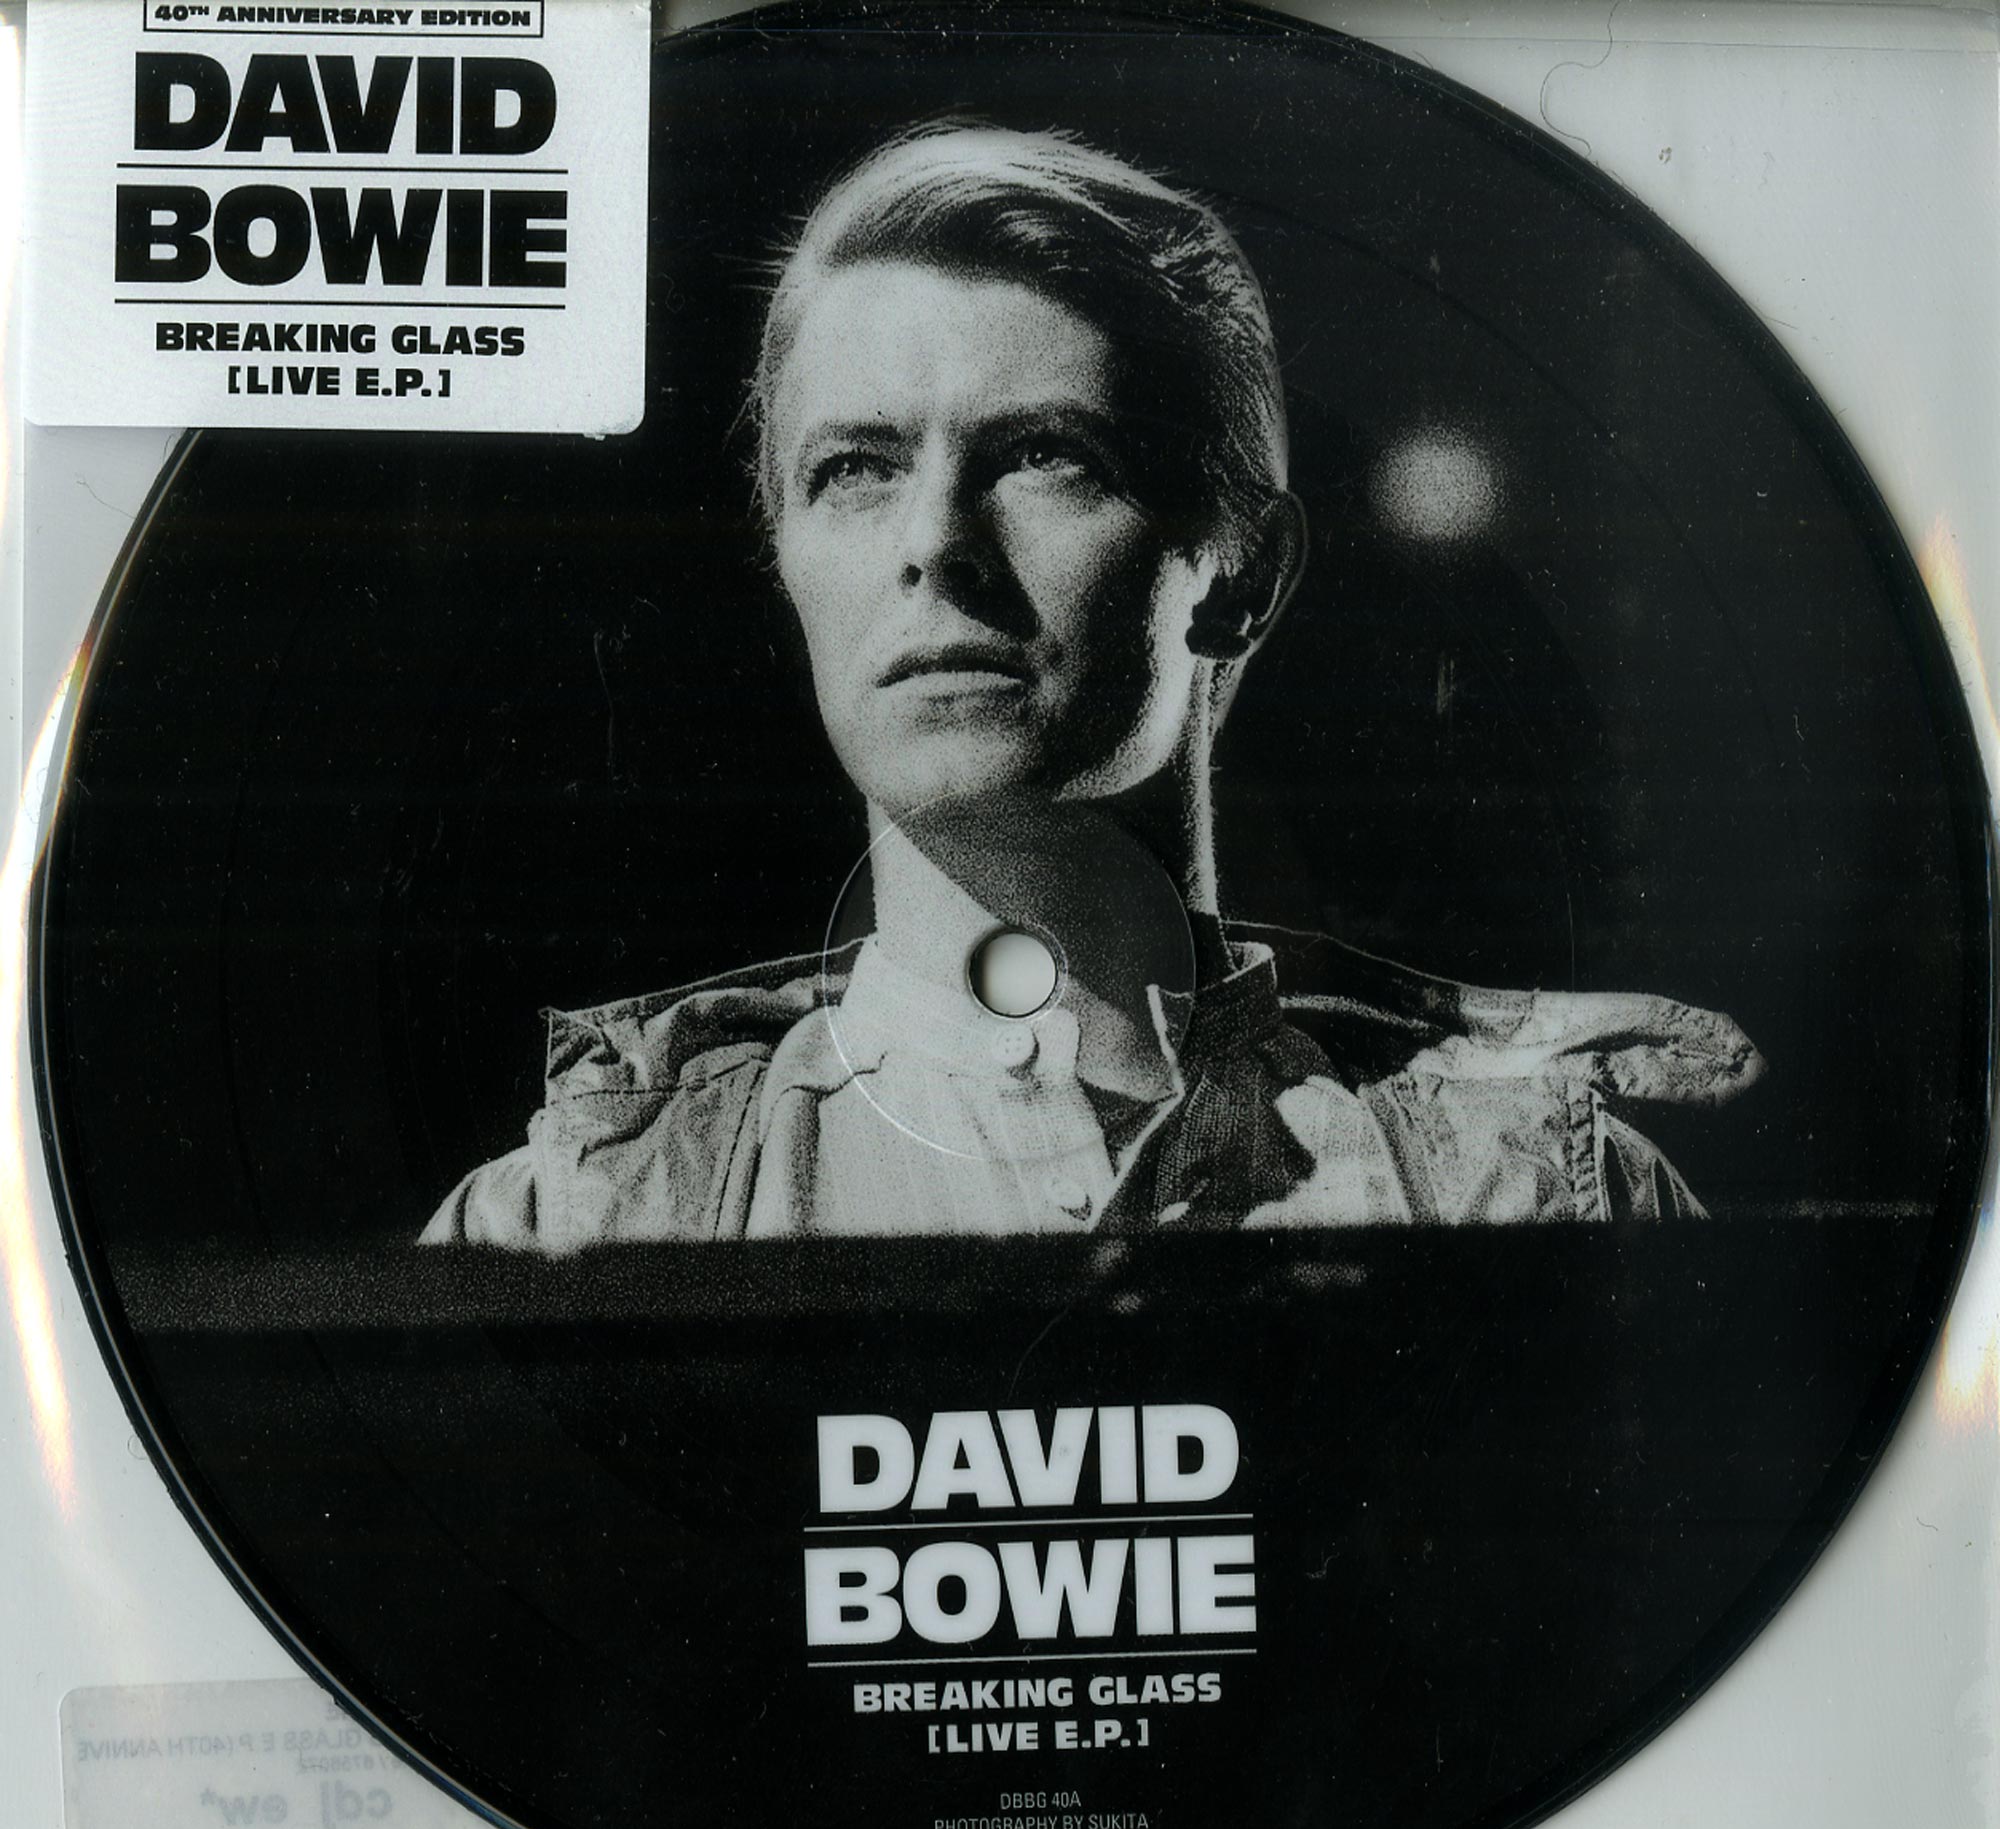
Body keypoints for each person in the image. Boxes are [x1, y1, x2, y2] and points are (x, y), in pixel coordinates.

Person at [424, 122, 1761, 1248]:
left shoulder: (1540, 1203)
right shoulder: (561, 1229)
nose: (934, 541)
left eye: (1044, 455)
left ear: (1242, 574)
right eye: (855, 468)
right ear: (785, 554)